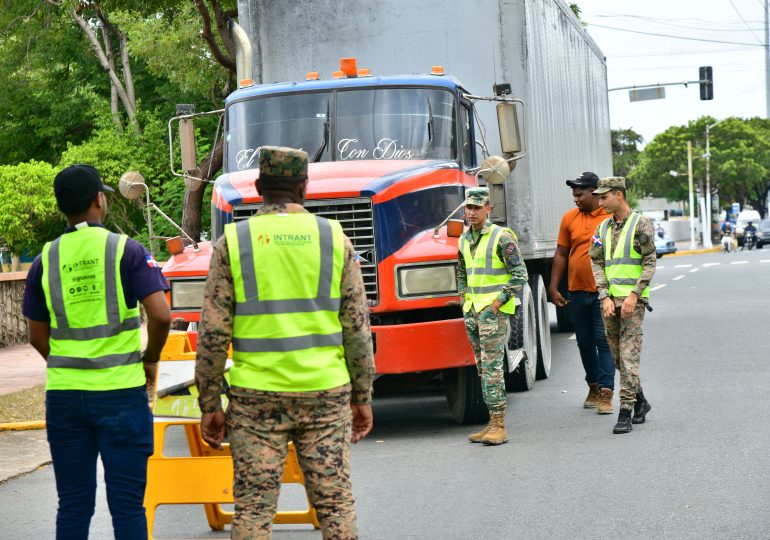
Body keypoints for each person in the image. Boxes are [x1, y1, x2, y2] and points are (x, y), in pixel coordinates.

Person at [195, 146, 375, 539]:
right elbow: (357, 329)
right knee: (335, 505)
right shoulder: (333, 238)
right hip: (324, 394)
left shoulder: (235, 242)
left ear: (259, 187)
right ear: (304, 187)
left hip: (256, 397)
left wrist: (209, 403)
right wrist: (362, 396)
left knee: (254, 510)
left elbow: (211, 332)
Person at [22, 164, 171, 540]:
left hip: (65, 397)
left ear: (63, 208)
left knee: (73, 505)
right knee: (126, 506)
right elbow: (161, 316)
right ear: (99, 201)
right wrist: (149, 359)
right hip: (121, 394)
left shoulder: (46, 259)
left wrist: (67, 365)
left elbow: (37, 335)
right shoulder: (127, 251)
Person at [457, 187, 528, 446]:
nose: (472, 212)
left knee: (492, 369)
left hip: (492, 313)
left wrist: (497, 304)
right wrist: (463, 297)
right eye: (469, 207)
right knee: (482, 367)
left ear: (489, 208)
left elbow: (520, 274)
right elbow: (462, 270)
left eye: (477, 207)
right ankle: (491, 422)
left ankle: (499, 425)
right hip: (472, 312)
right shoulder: (464, 239)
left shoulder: (502, 237)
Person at [589, 177, 655, 434]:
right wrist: (604, 296)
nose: (600, 202)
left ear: (618, 195)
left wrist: (634, 296)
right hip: (609, 303)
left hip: (633, 303)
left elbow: (650, 261)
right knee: (617, 357)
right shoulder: (602, 228)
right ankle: (641, 401)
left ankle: (625, 411)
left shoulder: (641, 224)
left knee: (629, 358)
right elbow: (596, 262)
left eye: (604, 197)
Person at [548, 172, 615, 414]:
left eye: (580, 194)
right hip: (576, 292)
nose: (575, 199)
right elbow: (561, 254)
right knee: (584, 343)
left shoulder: (610, 217)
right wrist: (553, 286)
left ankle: (607, 393)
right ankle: (593, 386)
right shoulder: (570, 218)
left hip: (603, 292)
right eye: (573, 195)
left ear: (594, 193)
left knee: (603, 341)